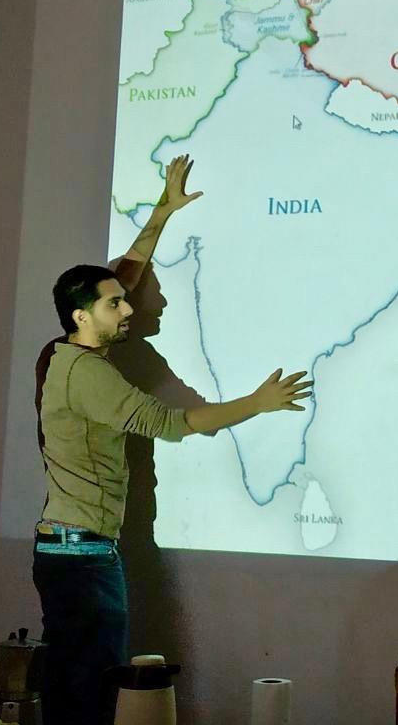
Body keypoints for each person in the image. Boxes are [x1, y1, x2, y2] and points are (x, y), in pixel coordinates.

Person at [31, 156, 311, 725]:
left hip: (75, 550)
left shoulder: (71, 353)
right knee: (90, 693)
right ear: (82, 316)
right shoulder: (89, 375)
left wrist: (164, 208)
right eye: (115, 304)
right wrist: (257, 403)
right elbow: (173, 423)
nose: (131, 306)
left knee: (76, 685)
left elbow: (128, 271)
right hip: (83, 557)